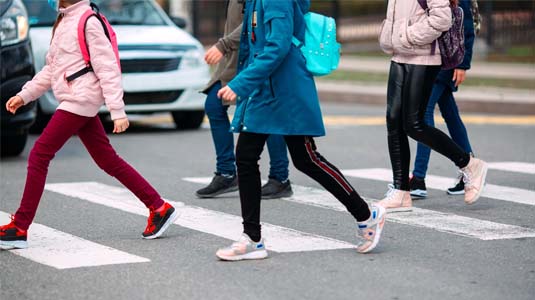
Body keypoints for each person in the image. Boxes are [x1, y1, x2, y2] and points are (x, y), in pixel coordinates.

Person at [214, 0, 386, 261]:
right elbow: (253, 46)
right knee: (246, 157)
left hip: (286, 90)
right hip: (265, 90)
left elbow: (278, 46)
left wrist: (241, 84)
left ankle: (366, 215)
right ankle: (252, 238)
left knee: (306, 159)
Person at [0, 0, 178, 250]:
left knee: (39, 154)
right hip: (76, 96)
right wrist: (25, 95)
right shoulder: (64, 20)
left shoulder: (88, 21)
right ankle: (159, 207)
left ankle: (19, 227)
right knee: (108, 160)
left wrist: (117, 110)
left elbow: (108, 68)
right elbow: (52, 70)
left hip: (79, 98)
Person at [377, 0, 488, 212]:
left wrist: (407, 36)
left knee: (414, 124)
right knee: (394, 122)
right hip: (400, 54)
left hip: (423, 56)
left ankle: (470, 164)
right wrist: (391, 37)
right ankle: (401, 193)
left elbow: (442, 18)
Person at [198, 0, 293, 200]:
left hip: (252, 58)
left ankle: (280, 177)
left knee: (268, 115)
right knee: (215, 105)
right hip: (233, 59)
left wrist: (223, 45)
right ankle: (226, 173)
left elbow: (255, 19)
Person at [410, 0, 476, 198]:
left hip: (445, 61)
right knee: (450, 114)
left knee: (423, 116)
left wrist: (463, 64)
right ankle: (471, 170)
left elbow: (465, 26)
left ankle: (419, 179)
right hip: (433, 59)